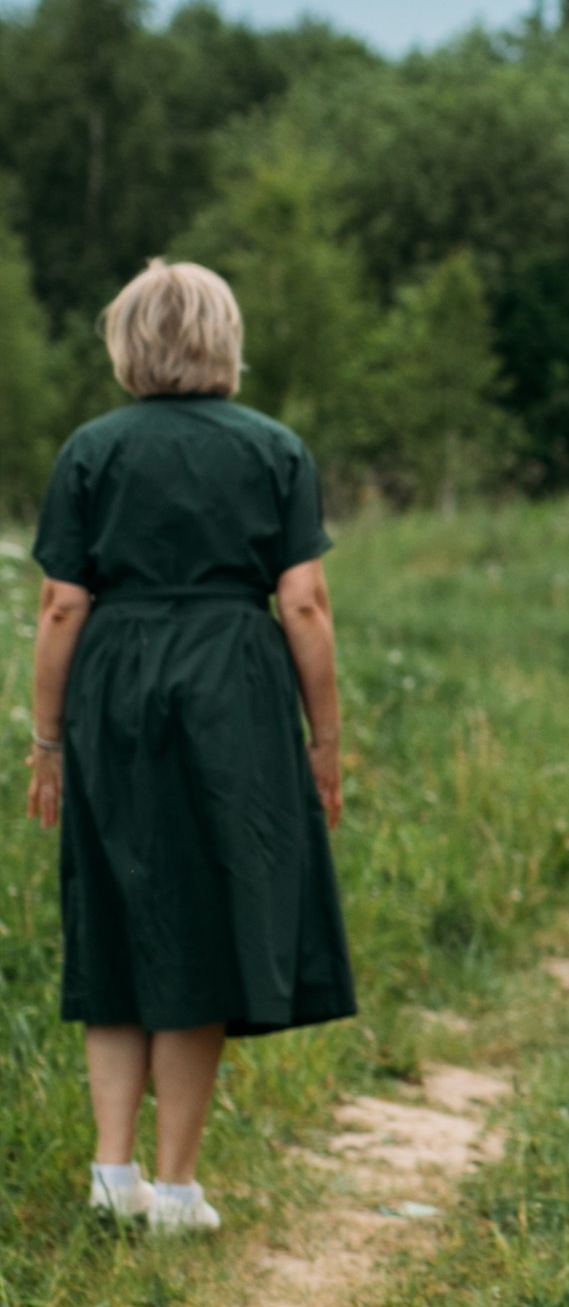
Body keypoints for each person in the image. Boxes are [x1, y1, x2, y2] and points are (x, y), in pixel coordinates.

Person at [25, 260, 356, 1232]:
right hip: (232, 684)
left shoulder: (91, 448)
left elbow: (59, 607)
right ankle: (175, 1190)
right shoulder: (272, 448)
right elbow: (302, 601)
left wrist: (47, 740)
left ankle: (110, 1175)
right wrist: (324, 736)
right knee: (207, 911)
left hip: (114, 681)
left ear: (125, 341)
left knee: (119, 904)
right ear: (224, 339)